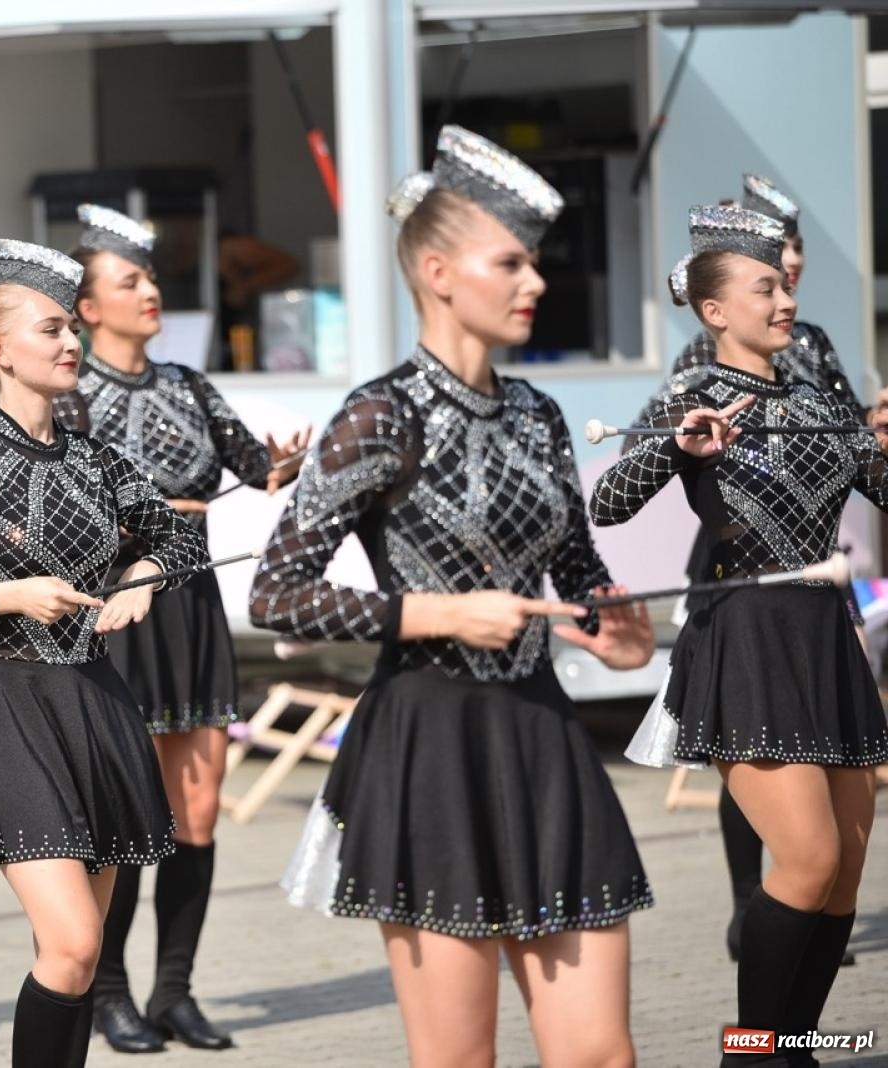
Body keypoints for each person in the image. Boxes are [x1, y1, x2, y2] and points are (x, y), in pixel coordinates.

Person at [250, 126, 657, 1068]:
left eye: (534, 264)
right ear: (438, 272)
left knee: (602, 1054)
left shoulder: (539, 413)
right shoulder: (377, 416)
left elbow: (578, 568)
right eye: (509, 262)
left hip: (543, 737)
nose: (536, 283)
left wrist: (613, 629)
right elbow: (277, 594)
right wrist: (436, 612)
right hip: (429, 747)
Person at [0, 239, 207, 1068]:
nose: (71, 343)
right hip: (8, 706)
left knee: (80, 960)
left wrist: (145, 575)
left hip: (96, 707)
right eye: (51, 328)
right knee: (71, 942)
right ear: (0, 350)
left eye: (71, 328)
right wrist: (5, 596)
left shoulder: (100, 460)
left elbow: (181, 536)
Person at [592, 204, 888, 1067]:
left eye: (785, 282)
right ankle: (749, 1053)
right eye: (766, 286)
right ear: (717, 310)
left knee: (843, 875)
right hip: (747, 635)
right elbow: (607, 504)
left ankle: (788, 1049)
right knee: (806, 857)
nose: (784, 296)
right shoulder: (695, 397)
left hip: (825, 638)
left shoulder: (818, 397)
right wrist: (677, 449)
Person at [54, 204, 307, 1054]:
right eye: (130, 282)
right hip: (120, 614)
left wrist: (289, 462)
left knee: (196, 813)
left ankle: (175, 993)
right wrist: (148, 518)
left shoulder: (191, 386)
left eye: (151, 278)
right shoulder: (71, 397)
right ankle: (107, 993)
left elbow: (256, 469)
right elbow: (65, 508)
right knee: (125, 816)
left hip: (194, 610)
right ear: (88, 309)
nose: (150, 291)